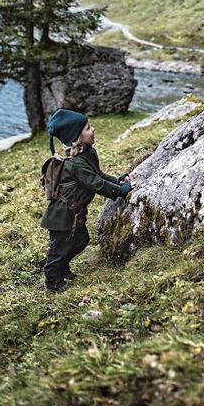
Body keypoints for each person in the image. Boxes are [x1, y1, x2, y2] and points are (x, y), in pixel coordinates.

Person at [41, 108, 132, 293]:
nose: (93, 130)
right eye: (88, 128)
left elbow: (98, 175)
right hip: (61, 216)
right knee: (59, 249)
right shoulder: (75, 164)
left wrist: (117, 181)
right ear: (77, 138)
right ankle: (53, 279)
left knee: (81, 241)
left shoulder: (87, 154)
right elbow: (97, 184)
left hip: (73, 213)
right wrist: (120, 191)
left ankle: (62, 267)